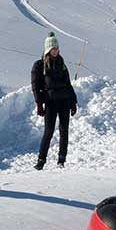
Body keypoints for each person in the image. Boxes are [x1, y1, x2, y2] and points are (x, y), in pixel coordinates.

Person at [30, 31, 77, 169]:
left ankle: (61, 160)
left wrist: (73, 102)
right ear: (48, 49)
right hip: (50, 102)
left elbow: (68, 85)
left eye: (57, 48)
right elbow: (35, 86)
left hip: (64, 101)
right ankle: (41, 160)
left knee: (64, 130)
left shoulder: (62, 64)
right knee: (48, 131)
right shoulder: (39, 65)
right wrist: (39, 103)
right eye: (53, 49)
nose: (56, 51)